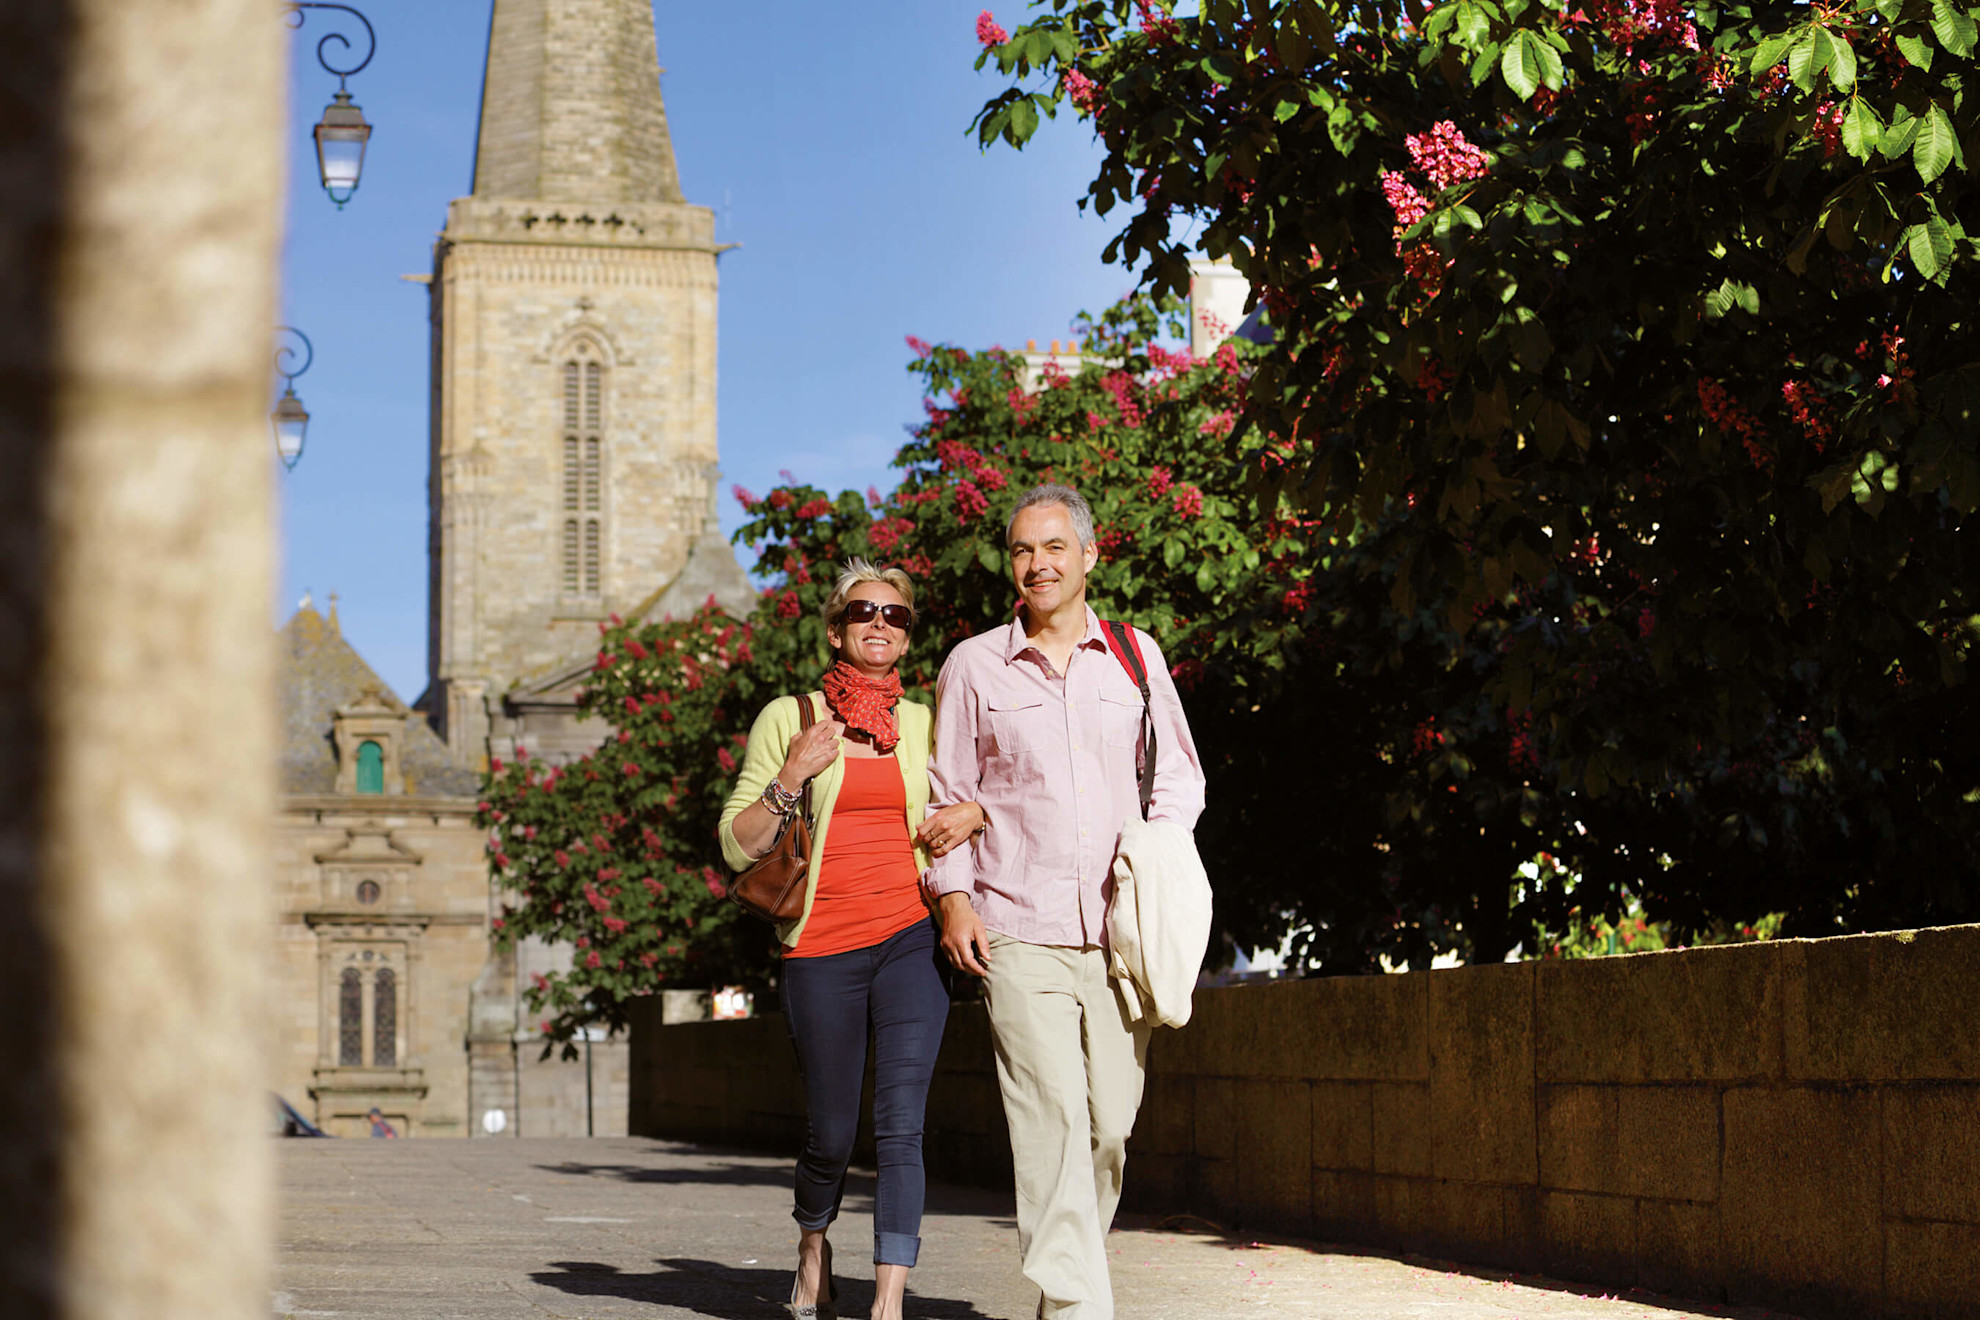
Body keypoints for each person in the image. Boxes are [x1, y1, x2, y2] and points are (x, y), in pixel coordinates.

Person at [926, 484, 1205, 1320]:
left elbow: (1179, 777)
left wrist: (1160, 854)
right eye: (1020, 549)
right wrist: (955, 900)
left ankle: (1063, 1295)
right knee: (1048, 1117)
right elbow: (951, 797)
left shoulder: (1134, 656)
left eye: (1053, 547)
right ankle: (1085, 1308)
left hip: (1120, 935)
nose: (1036, 563)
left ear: (1089, 556)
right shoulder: (973, 665)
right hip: (1017, 927)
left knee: (1109, 1128)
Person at [720, 559, 985, 1320]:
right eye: (864, 612)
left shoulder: (929, 723)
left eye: (895, 616)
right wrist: (790, 778)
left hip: (909, 937)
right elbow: (738, 845)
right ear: (837, 630)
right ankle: (813, 1246)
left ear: (906, 638)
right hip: (821, 947)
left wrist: (974, 813)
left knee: (902, 1126)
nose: (880, 624)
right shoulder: (791, 717)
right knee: (832, 1131)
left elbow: (984, 794)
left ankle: (888, 1303)